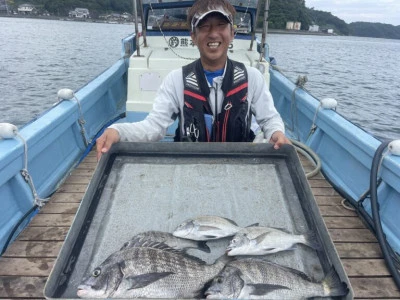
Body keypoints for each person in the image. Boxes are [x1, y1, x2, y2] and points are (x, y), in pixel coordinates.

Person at [96, 0, 290, 161]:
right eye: (204, 26)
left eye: (221, 26)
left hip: (239, 164)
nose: (213, 33)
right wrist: (117, 130)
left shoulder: (252, 77)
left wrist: (276, 133)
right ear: (193, 36)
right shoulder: (176, 80)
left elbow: (269, 118)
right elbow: (153, 127)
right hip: (189, 166)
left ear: (232, 33)